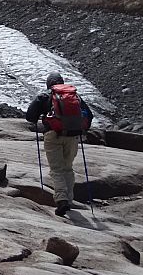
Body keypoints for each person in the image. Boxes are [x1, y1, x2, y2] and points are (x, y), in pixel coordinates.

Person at [26, 73, 93, 216]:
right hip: (73, 136)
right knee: (68, 168)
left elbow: (30, 116)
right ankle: (69, 199)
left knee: (56, 169)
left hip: (52, 135)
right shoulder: (75, 96)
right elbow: (89, 115)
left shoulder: (45, 96)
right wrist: (80, 130)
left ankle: (61, 200)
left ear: (48, 84)